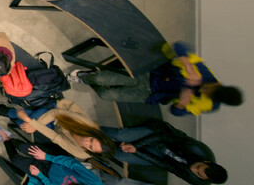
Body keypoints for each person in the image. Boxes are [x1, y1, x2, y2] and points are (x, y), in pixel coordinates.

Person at [72, 40, 243, 116]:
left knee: (106, 95)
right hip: (148, 76)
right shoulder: (203, 72)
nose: (203, 90)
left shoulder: (209, 105)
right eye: (208, 88)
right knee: (101, 79)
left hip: (151, 95)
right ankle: (86, 77)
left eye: (207, 94)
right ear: (218, 83)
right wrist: (188, 65)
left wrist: (182, 103)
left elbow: (176, 112)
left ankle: (94, 79)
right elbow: (178, 45)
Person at [0, 99, 117, 162]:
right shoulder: (85, 124)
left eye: (90, 147)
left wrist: (32, 124)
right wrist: (33, 123)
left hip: (56, 128)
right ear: (94, 134)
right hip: (57, 110)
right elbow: (57, 113)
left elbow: (56, 138)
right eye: (91, 140)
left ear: (90, 152)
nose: (86, 142)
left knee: (25, 122)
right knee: (27, 119)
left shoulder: (80, 153)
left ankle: (6, 111)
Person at [101, 119, 227, 185]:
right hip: (158, 134)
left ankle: (94, 145)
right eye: (198, 167)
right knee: (121, 136)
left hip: (159, 156)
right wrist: (136, 145)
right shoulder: (198, 149)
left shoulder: (197, 181)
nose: (193, 169)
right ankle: (93, 129)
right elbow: (163, 136)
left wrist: (137, 151)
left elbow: (166, 166)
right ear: (206, 161)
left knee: (120, 155)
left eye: (198, 174)